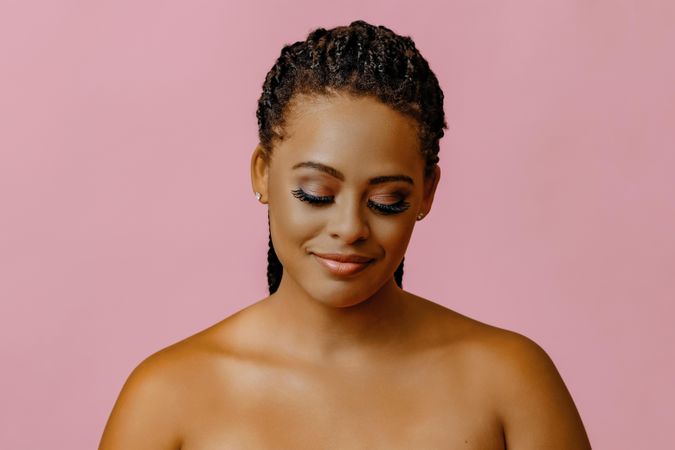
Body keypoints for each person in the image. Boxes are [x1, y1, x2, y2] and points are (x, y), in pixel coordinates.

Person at [99, 20, 591, 449]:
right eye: (315, 193)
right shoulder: (166, 396)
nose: (350, 228)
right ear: (262, 174)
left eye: (386, 201)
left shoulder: (511, 383)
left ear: (427, 193)